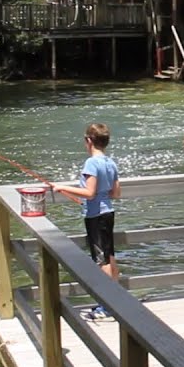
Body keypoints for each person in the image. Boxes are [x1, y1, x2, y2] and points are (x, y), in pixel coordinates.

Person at [52, 123, 121, 320]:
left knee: (102, 260)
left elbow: (89, 193)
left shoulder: (91, 163)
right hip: (108, 212)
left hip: (96, 216)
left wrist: (62, 187)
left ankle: (107, 306)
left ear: (89, 141)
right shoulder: (110, 162)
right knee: (109, 256)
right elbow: (116, 193)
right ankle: (117, 300)